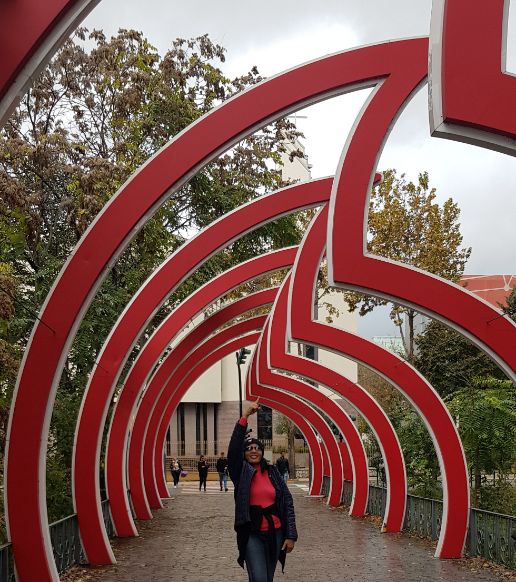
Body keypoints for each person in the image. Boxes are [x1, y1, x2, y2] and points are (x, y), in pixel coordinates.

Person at [228, 400, 297, 582]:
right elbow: (233, 449)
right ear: (244, 454)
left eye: (257, 448)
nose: (253, 451)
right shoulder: (240, 473)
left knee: (267, 577)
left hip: (276, 532)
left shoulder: (272, 472)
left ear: (262, 452)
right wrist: (245, 417)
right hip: (252, 532)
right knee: (259, 578)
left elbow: (287, 503)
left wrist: (291, 535)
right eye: (249, 449)